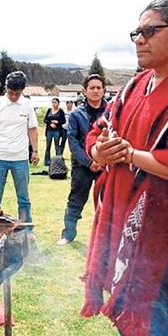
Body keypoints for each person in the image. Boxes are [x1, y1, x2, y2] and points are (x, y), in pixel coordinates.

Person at [80, 0, 168, 336]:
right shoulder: (135, 86)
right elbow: (100, 128)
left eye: (150, 31)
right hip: (129, 233)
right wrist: (100, 149)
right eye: (137, 32)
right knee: (132, 329)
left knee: (162, 331)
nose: (139, 39)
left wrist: (131, 155)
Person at [57, 74, 106, 246]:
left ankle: (104, 239)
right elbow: (73, 142)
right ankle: (68, 234)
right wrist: (89, 162)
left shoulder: (111, 112)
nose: (95, 91)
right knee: (76, 200)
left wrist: (103, 161)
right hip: (82, 166)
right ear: (85, 91)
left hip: (106, 166)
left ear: (104, 90)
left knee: (106, 202)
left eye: (99, 87)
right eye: (92, 88)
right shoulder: (77, 114)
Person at [0, 71, 39, 223]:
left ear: (22, 91)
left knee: (23, 198)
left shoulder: (27, 105)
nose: (14, 96)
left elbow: (32, 129)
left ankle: (26, 227)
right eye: (11, 93)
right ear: (6, 88)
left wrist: (34, 150)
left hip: (20, 158)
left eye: (17, 93)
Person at [43, 98, 66, 165]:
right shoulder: (49, 110)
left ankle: (58, 161)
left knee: (57, 146)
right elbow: (45, 120)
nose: (54, 104)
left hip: (57, 131)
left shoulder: (61, 111)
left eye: (55, 102)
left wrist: (57, 122)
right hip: (49, 131)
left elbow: (64, 121)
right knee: (48, 146)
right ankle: (47, 161)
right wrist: (50, 123)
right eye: (53, 102)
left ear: (58, 103)